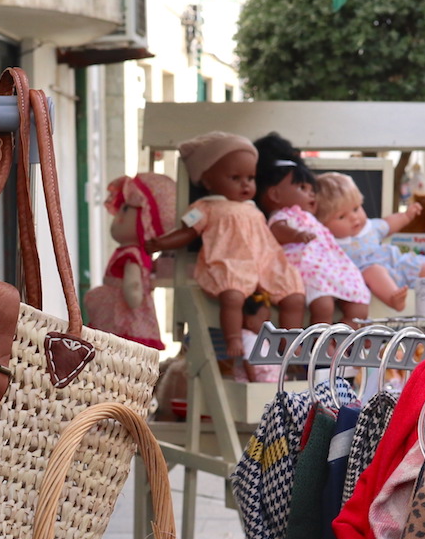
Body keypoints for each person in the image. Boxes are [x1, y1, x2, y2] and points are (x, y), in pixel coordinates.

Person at [150, 131, 306, 377]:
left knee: (294, 296)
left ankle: (290, 344)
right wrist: (159, 243)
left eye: (250, 178)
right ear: (209, 181)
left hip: (265, 261)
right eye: (236, 177)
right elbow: (187, 232)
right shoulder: (206, 207)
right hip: (230, 263)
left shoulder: (253, 208)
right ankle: (233, 338)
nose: (246, 184)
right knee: (232, 296)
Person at [253, 133, 370, 323]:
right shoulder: (284, 216)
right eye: (302, 188)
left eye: (311, 189)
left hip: (334, 267)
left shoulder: (310, 218)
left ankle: (340, 343)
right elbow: (278, 229)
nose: (311, 194)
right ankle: (319, 346)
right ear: (275, 195)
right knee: (323, 306)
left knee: (359, 307)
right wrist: (297, 234)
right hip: (310, 269)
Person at [315, 172, 425, 311]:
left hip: (399, 265)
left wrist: (406, 216)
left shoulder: (370, 227)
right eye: (342, 216)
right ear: (322, 223)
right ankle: (393, 299)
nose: (354, 218)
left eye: (356, 209)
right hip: (372, 278)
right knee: (374, 271)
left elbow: (388, 224)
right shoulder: (330, 243)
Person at [84, 172, 176, 349]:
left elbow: (133, 285)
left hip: (124, 315)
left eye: (126, 209)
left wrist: (135, 293)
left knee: (119, 348)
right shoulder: (134, 253)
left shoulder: (132, 254)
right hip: (121, 310)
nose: (118, 214)